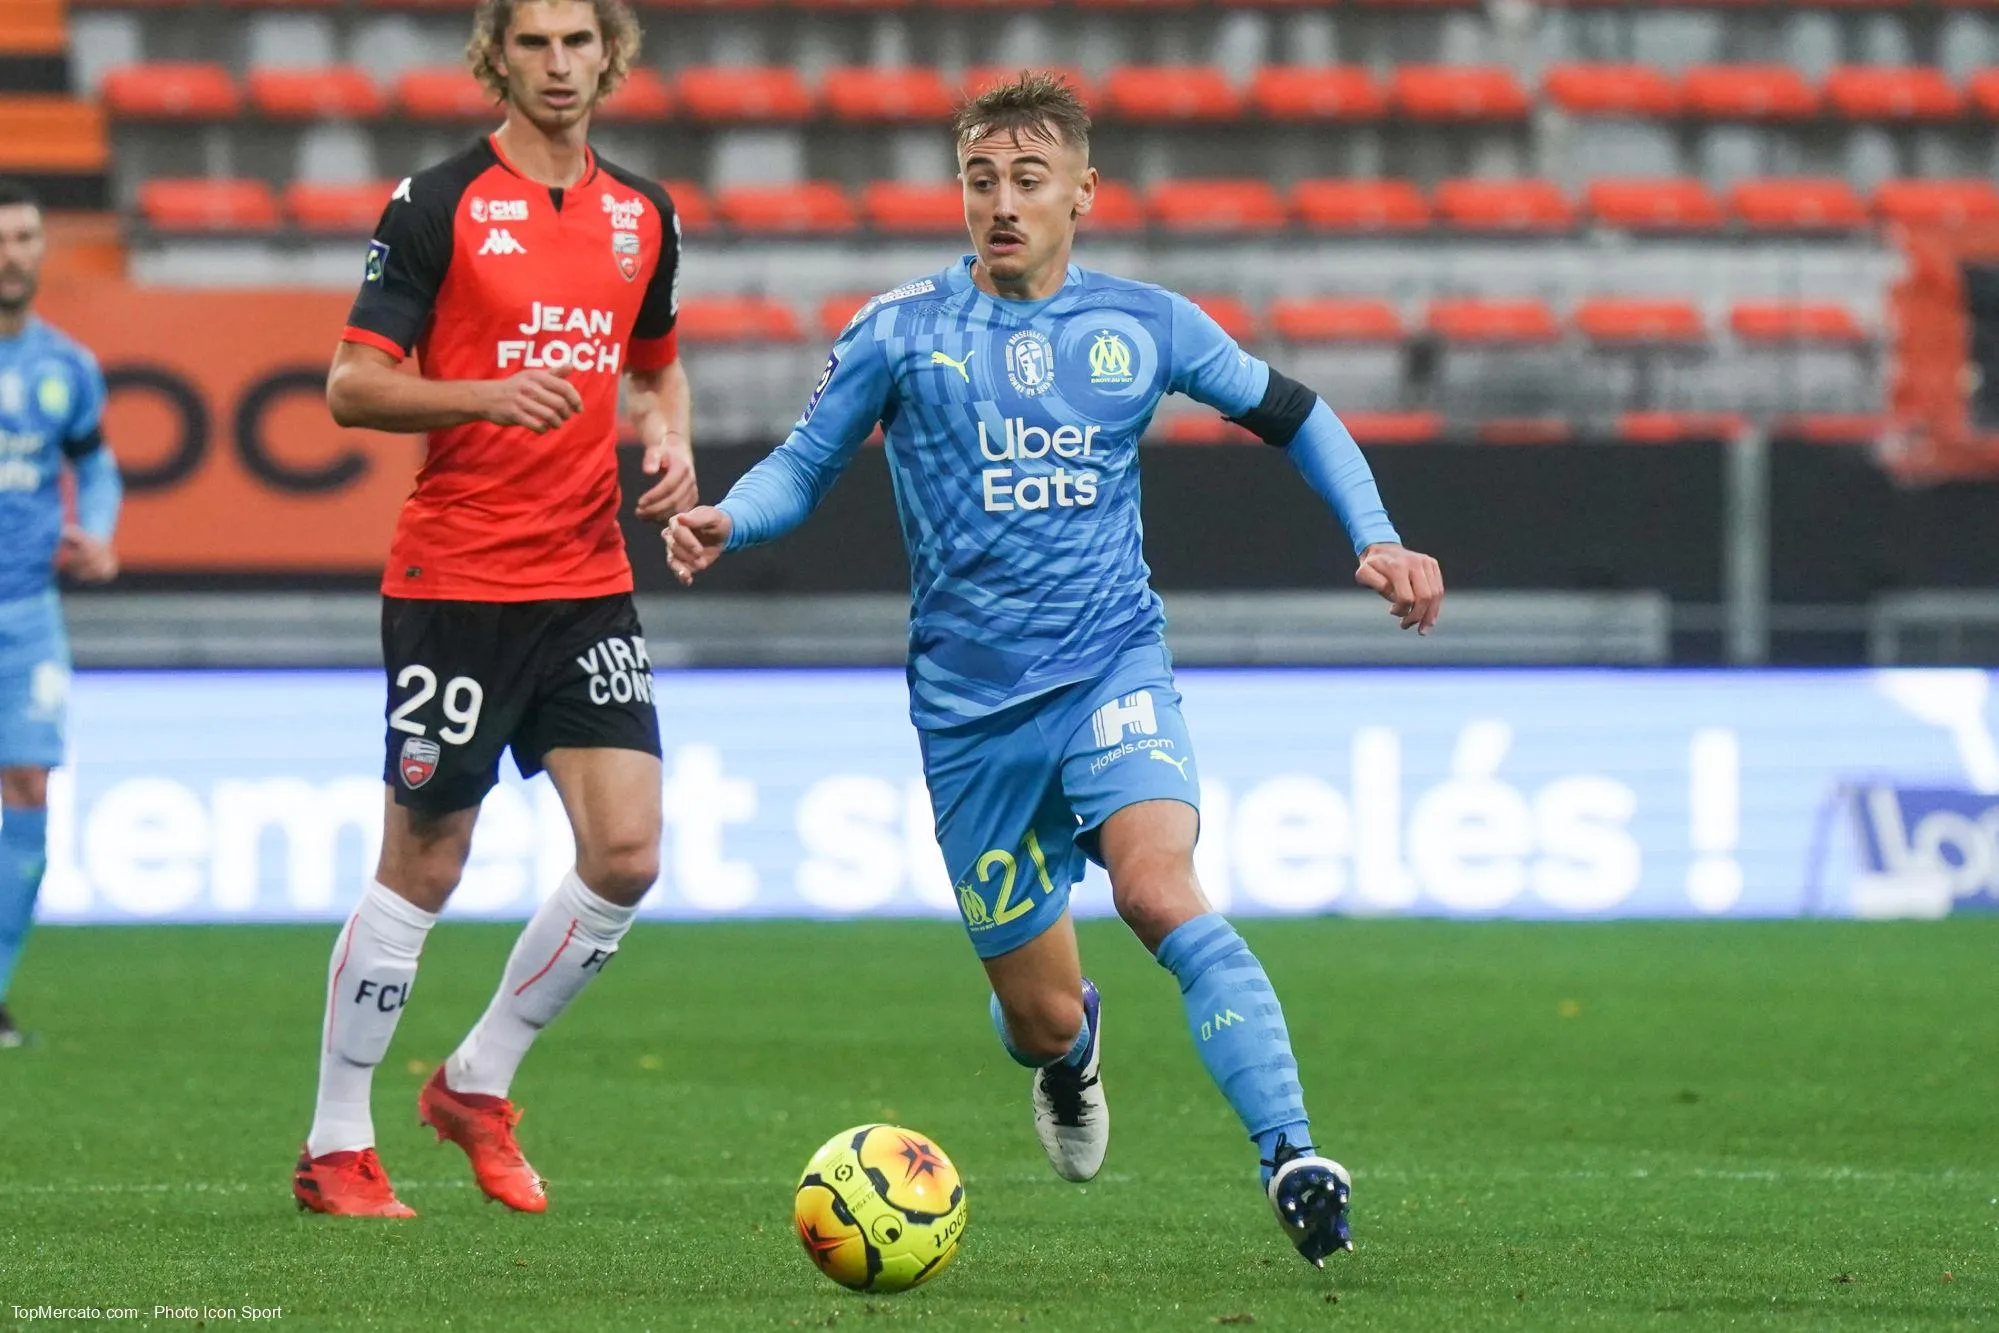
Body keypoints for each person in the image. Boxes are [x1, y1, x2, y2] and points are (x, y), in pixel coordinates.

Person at [668, 73, 1444, 1267]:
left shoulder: (1147, 325)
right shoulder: (898, 330)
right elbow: (803, 462)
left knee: (1157, 890)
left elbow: (1295, 412)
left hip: (1109, 669)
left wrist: (1376, 535)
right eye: (980, 179)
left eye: (1028, 180)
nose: (1001, 202)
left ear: (1083, 192)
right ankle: (1071, 1051)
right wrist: (732, 516)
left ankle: (1291, 1153)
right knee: (1034, 1016)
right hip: (970, 715)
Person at [293, 0, 696, 1218]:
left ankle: (476, 1081)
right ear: (496, 57)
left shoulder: (644, 214)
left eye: (578, 42)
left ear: (609, 54)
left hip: (587, 579)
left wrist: (668, 437)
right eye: (535, 43)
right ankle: (334, 1144)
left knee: (627, 853)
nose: (559, 65)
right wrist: (482, 393)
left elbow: (655, 362)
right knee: (427, 861)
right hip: (457, 580)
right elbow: (351, 385)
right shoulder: (437, 203)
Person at [0, 180, 121, 1050]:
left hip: (26, 612)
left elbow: (96, 463)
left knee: (29, 787)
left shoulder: (67, 366)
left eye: (24, 239)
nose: (11, 256)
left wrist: (100, 532)